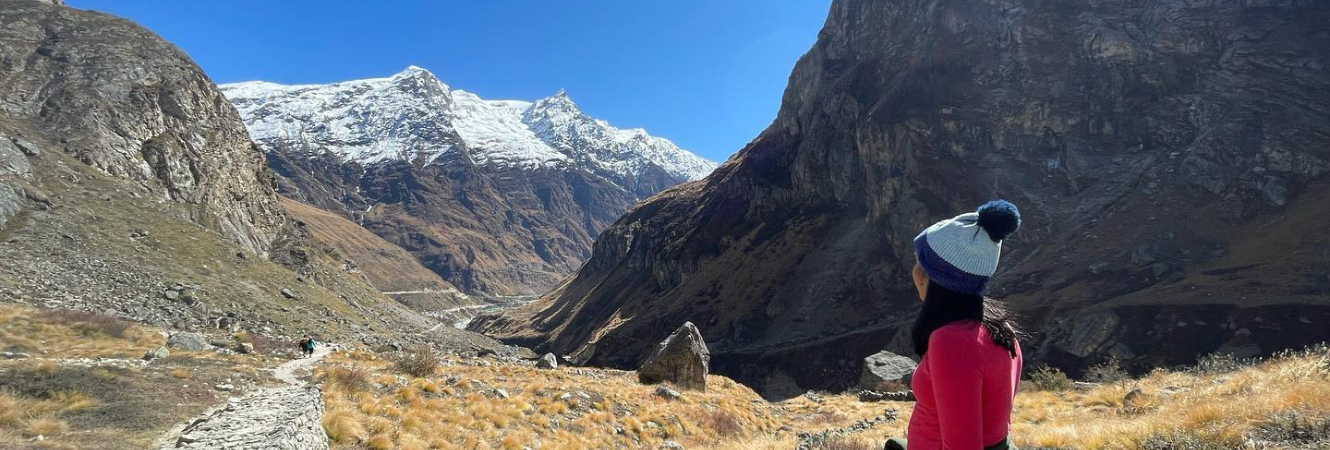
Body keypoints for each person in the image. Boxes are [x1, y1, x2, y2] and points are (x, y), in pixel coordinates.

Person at [886, 200, 1024, 450]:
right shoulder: (1001, 329)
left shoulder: (952, 342)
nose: (914, 269)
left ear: (930, 276)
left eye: (920, 261)